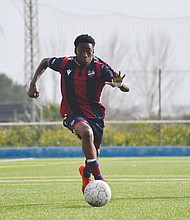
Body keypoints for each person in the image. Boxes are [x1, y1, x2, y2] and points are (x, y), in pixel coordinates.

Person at [27, 34, 129, 193]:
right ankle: (99, 179)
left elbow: (123, 87)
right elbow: (45, 62)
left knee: (95, 151)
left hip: (95, 116)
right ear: (75, 50)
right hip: (71, 112)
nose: (85, 55)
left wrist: (120, 84)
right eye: (81, 51)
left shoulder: (100, 67)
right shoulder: (65, 63)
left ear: (93, 52)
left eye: (88, 51)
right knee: (87, 134)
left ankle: (86, 172)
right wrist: (33, 83)